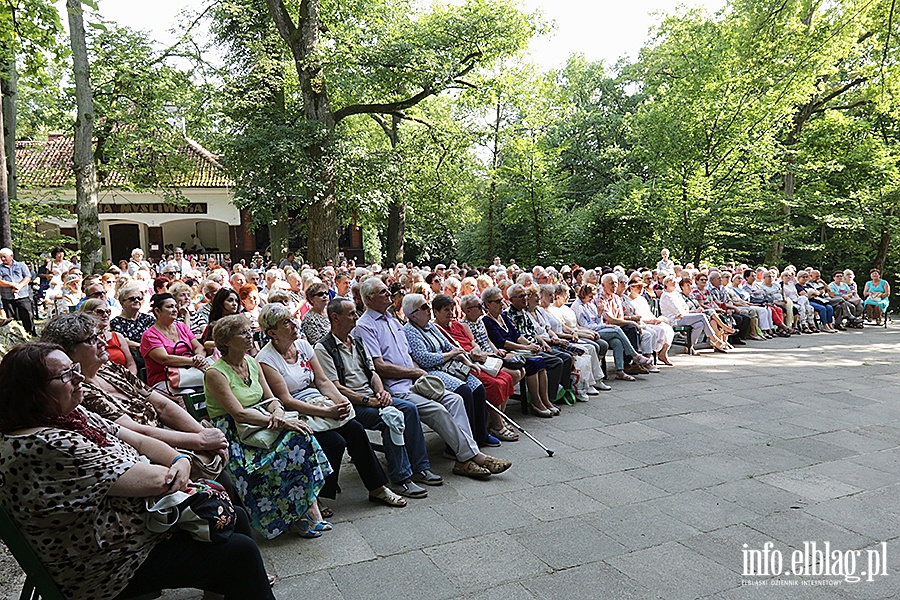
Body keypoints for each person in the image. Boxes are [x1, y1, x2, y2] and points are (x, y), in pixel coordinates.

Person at [0, 342, 275, 600]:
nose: (78, 379)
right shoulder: (46, 443)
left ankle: (226, 589)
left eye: (75, 369)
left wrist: (180, 459)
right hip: (108, 564)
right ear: (32, 392)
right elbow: (160, 481)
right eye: (66, 376)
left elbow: (139, 440)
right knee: (240, 552)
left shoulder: (71, 416)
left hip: (138, 531)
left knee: (233, 516)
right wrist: (178, 465)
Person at [355, 278, 511, 479]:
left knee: (455, 399)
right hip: (394, 387)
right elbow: (379, 366)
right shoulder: (365, 325)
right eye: (383, 292)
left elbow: (409, 356)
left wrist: (422, 375)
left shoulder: (394, 322)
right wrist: (417, 373)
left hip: (415, 381)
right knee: (438, 409)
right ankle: (471, 457)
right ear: (369, 298)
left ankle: (465, 456)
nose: (388, 294)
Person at [256, 302, 405, 508]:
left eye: (291, 319)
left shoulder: (303, 346)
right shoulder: (266, 359)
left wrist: (340, 403)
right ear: (272, 332)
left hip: (317, 400)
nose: (293, 324)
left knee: (355, 429)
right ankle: (316, 496)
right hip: (296, 411)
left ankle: (377, 488)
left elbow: (323, 381)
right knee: (334, 441)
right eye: (285, 323)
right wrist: (327, 411)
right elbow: (287, 400)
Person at [202, 314, 333, 538]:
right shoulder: (216, 373)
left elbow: (272, 398)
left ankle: (307, 511)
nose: (250, 336)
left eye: (249, 330)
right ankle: (299, 515)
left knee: (301, 435)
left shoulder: (251, 362)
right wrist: (279, 421)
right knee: (289, 446)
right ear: (227, 341)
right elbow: (238, 413)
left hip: (263, 422)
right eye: (243, 333)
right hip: (235, 433)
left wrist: (279, 412)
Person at [315, 298, 441, 497]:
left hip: (371, 397)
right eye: (350, 314)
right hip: (350, 404)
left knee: (409, 409)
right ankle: (401, 478)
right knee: (390, 419)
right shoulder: (323, 348)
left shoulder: (356, 341)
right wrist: (367, 401)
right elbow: (334, 387)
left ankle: (420, 467)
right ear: (335, 318)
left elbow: (372, 372)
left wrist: (381, 391)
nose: (355, 317)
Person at [403, 293, 498, 446]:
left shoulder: (430, 326)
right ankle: (464, 440)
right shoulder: (409, 331)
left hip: (449, 367)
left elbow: (450, 347)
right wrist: (449, 355)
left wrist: (467, 362)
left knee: (478, 388)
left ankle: (481, 434)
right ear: (413, 315)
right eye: (425, 307)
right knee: (464, 391)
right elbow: (424, 359)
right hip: (431, 372)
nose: (429, 309)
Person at [431, 293, 520, 441]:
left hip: (477, 358)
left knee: (506, 377)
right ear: (436, 312)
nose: (451, 313)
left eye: (452, 309)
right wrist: (471, 355)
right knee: (494, 383)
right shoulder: (437, 329)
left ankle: (496, 418)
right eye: (446, 310)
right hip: (463, 364)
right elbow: (451, 351)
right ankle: (497, 425)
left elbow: (472, 342)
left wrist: (477, 351)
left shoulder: (457, 325)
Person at [141, 293, 210, 391]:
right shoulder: (149, 335)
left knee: (212, 389)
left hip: (191, 374)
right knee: (188, 393)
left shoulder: (182, 327)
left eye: (175, 306)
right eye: (169, 307)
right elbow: (164, 359)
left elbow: (198, 347)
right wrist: (193, 361)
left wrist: (200, 357)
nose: (175, 310)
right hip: (165, 379)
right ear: (157, 311)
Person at [658, 276, 728, 352]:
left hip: (683, 316)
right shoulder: (666, 295)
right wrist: (683, 311)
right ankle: (714, 338)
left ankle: (690, 346)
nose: (674, 282)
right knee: (702, 316)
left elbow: (685, 308)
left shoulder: (676, 294)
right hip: (673, 320)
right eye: (671, 281)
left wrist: (683, 311)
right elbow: (678, 312)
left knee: (700, 324)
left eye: (674, 280)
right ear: (666, 284)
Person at [78, 299, 137, 374]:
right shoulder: (84, 340)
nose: (105, 315)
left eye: (108, 312)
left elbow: (131, 364)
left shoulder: (117, 336)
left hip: (124, 379)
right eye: (100, 312)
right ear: (87, 314)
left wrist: (130, 378)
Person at [0, 247, 36, 335]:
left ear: (11, 256)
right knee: (10, 318)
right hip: (7, 297)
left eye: (4, 257)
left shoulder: (21, 265)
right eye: (1, 257)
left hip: (22, 295)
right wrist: (12, 285)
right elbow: (0, 281)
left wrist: (19, 286)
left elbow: (27, 277)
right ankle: (13, 336)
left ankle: (31, 333)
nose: (2, 259)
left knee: (28, 316)